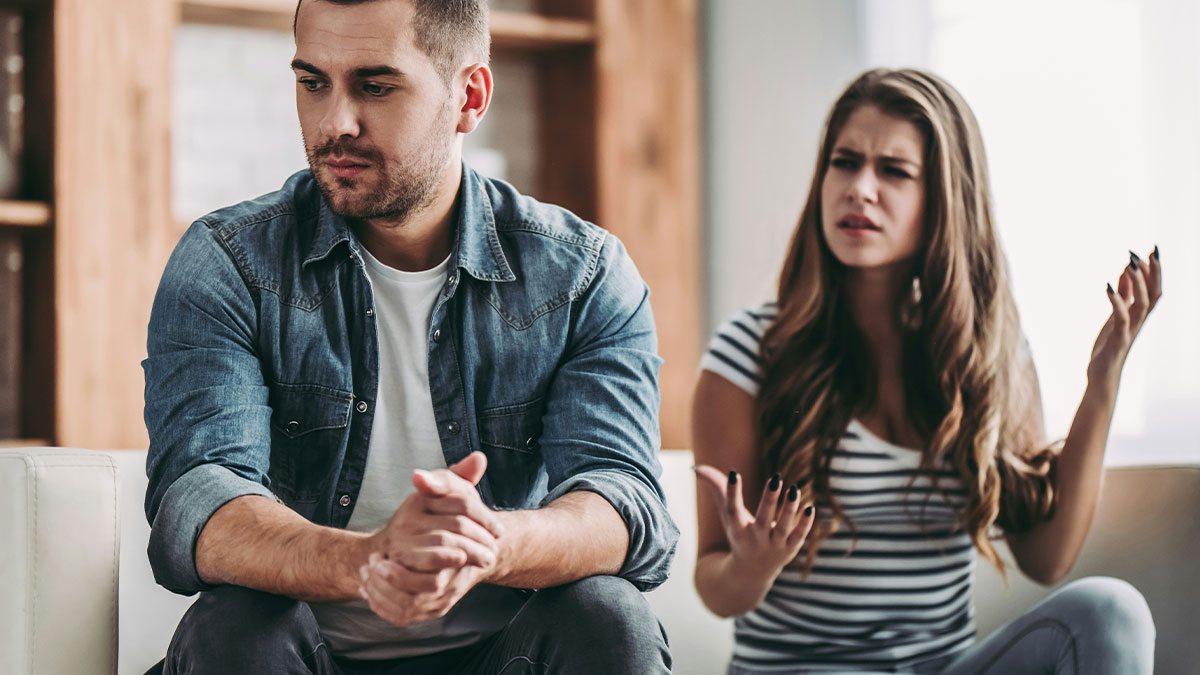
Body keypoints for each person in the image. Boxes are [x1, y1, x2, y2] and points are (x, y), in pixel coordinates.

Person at [141, 0, 677, 672]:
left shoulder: (582, 274)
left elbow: (624, 503)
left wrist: (485, 543)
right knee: (233, 625)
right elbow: (199, 498)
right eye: (313, 82)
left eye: (375, 85)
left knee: (609, 615)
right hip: (303, 656)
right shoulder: (229, 262)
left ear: (469, 96)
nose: (335, 121)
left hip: (503, 654)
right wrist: (367, 558)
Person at [692, 68, 1159, 674]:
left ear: (944, 197)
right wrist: (752, 566)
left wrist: (1102, 383)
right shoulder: (749, 352)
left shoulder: (988, 352)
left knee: (1111, 610)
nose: (860, 188)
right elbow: (712, 581)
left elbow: (1046, 560)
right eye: (845, 161)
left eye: (894, 170)